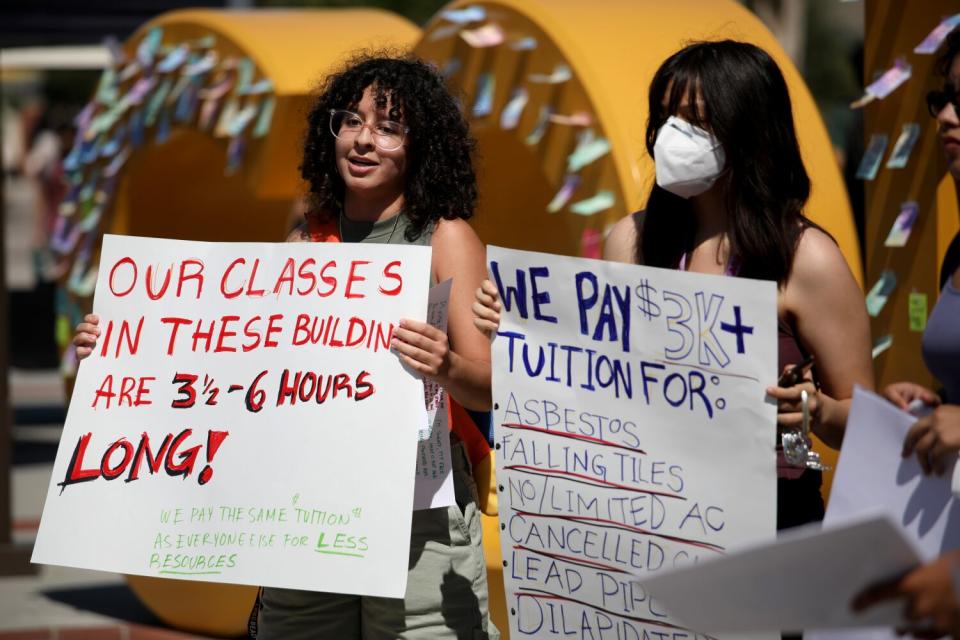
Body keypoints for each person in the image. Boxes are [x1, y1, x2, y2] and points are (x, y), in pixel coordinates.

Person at [75, 53, 498, 640]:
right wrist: (124, 343)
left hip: (417, 512)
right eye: (350, 121)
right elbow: (237, 358)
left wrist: (447, 365)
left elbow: (491, 380)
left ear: (420, 145)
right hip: (309, 500)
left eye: (388, 127)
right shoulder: (304, 238)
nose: (364, 140)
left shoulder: (447, 237)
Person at [475, 39, 874, 531]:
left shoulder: (806, 258)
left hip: (769, 517)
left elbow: (864, 419)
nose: (671, 135)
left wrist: (816, 412)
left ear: (751, 131)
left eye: (695, 120)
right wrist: (519, 329)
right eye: (664, 117)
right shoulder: (632, 239)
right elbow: (593, 376)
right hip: (651, 515)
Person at [853, 31, 960, 638]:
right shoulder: (956, 251)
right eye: (943, 98)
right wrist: (929, 404)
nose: (946, 115)